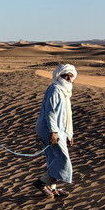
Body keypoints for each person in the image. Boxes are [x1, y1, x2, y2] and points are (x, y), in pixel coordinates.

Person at [34, 64, 77, 198]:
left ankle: (52, 188)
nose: (68, 79)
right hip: (50, 129)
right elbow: (51, 113)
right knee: (63, 160)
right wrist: (53, 132)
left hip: (60, 130)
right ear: (59, 76)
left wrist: (69, 134)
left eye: (71, 76)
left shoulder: (65, 91)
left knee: (54, 159)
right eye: (66, 75)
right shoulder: (55, 89)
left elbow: (67, 115)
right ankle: (41, 183)